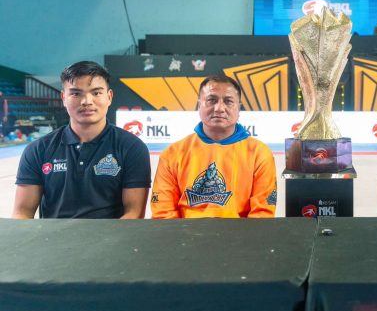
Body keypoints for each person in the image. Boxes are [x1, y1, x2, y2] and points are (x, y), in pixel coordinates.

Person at [13, 61, 151, 219]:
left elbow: (134, 214)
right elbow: (22, 213)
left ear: (109, 97)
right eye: (76, 94)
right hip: (53, 235)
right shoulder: (38, 149)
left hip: (110, 235)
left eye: (96, 93)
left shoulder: (132, 148)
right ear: (64, 98)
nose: (87, 101)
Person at [151, 74, 277, 218]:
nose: (219, 108)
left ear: (239, 108)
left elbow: (262, 215)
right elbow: (163, 214)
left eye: (228, 101)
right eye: (211, 100)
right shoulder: (172, 154)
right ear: (199, 105)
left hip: (240, 232)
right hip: (185, 232)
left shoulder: (259, 154)